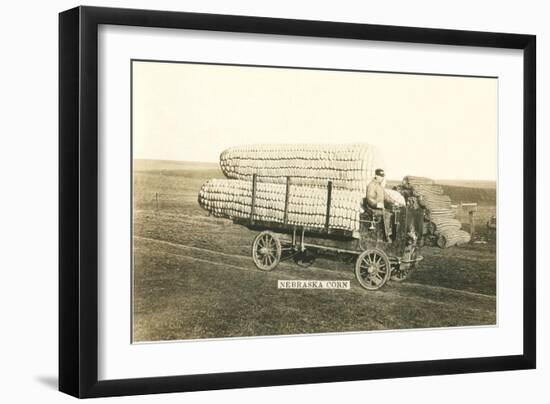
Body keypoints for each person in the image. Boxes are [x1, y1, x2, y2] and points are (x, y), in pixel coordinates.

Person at [366, 168, 392, 241]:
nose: (382, 178)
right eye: (381, 176)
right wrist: (377, 205)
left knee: (391, 212)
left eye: (383, 176)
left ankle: (388, 233)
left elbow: (386, 197)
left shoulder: (380, 186)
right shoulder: (371, 185)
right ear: (376, 176)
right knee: (387, 214)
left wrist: (394, 202)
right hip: (372, 208)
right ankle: (386, 236)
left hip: (378, 208)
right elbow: (369, 198)